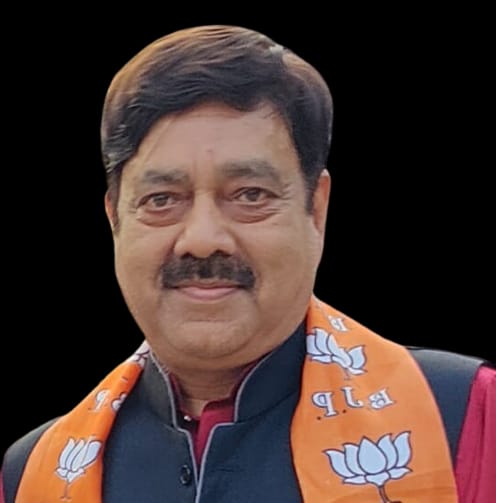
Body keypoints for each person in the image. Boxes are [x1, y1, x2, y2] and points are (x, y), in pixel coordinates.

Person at [2, 24, 494, 503]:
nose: (202, 240)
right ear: (114, 219)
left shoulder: (464, 416)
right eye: (161, 199)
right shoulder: (35, 475)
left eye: (250, 195)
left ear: (316, 209)